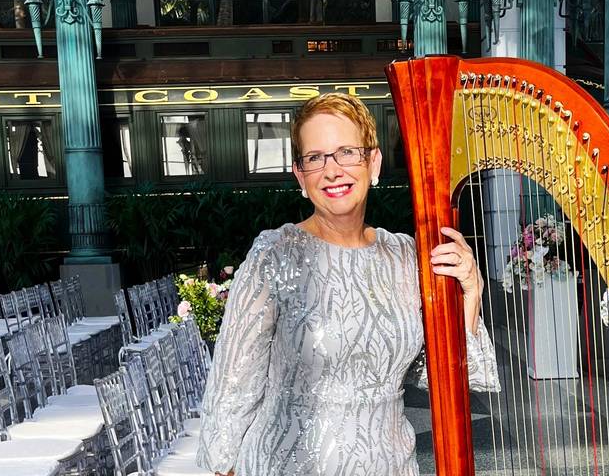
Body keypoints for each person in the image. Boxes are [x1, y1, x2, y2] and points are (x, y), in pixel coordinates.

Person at [196, 93, 499, 476]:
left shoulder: (406, 256)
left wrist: (471, 293)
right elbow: (232, 389)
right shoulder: (275, 255)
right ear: (300, 176)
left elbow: (445, 374)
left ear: (373, 162)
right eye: (315, 157)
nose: (332, 170)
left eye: (347, 152)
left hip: (391, 465)